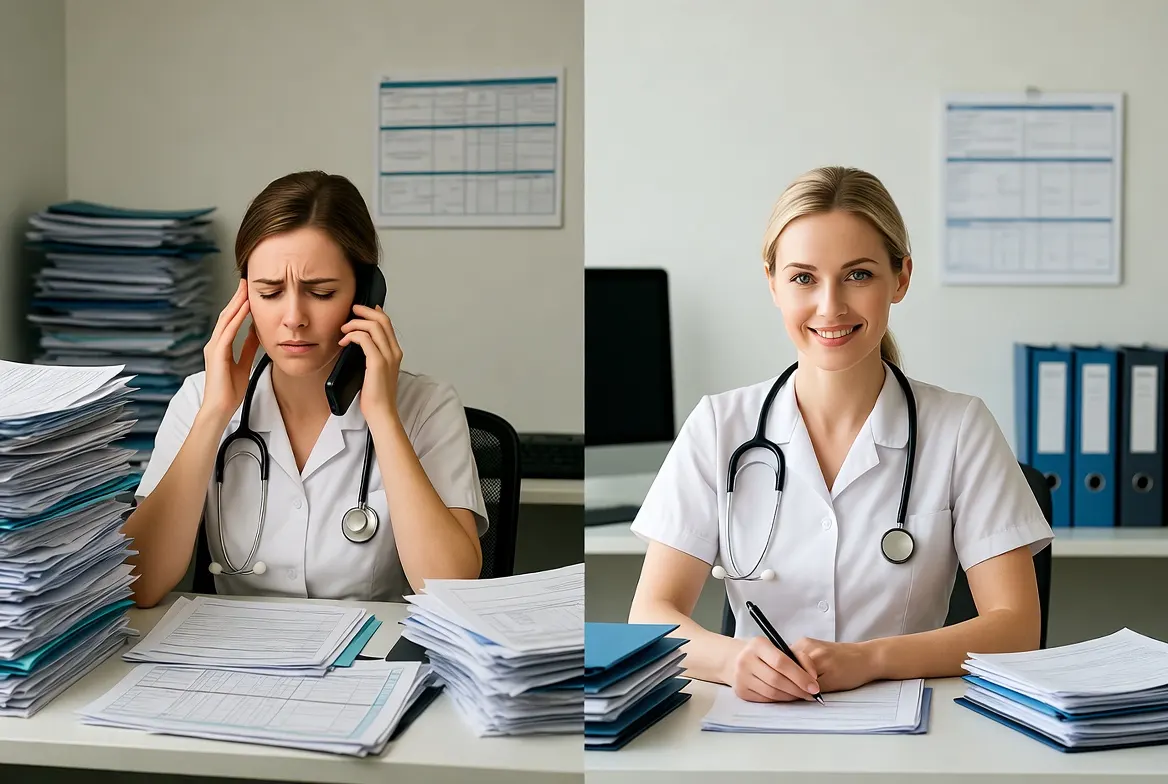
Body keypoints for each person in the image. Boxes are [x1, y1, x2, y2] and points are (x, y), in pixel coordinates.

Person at [627, 165, 1054, 704]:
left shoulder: (960, 428)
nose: (830, 306)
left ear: (900, 279)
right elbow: (650, 616)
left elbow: (1016, 628)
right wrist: (734, 660)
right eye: (804, 277)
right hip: (753, 729)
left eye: (858, 275)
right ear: (773, 283)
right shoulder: (719, 426)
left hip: (911, 730)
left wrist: (871, 659)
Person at [124, 170, 488, 608]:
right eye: (270, 292)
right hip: (233, 662)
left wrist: (384, 419)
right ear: (244, 298)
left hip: (372, 664)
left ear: (367, 294)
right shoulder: (200, 399)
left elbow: (452, 590)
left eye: (321, 292)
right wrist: (213, 415)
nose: (293, 317)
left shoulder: (426, 405)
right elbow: (137, 585)